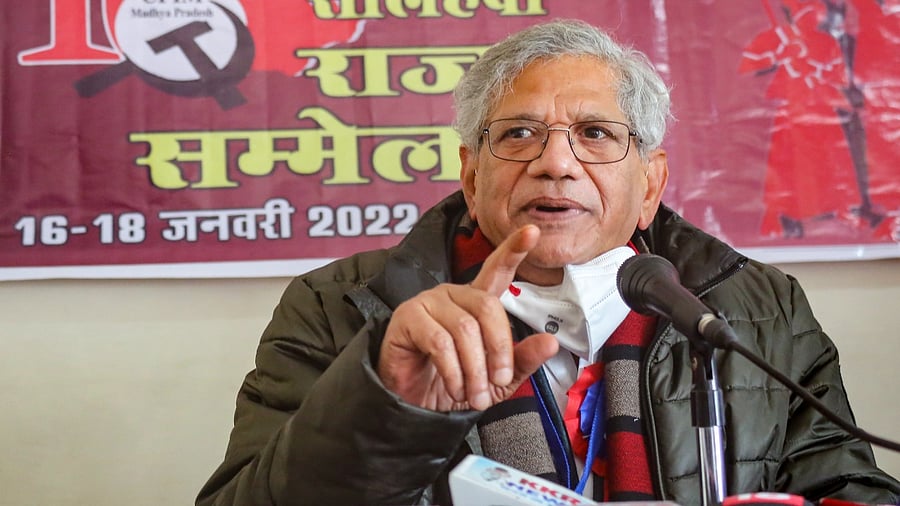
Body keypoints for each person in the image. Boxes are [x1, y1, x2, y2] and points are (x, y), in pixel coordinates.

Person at [196, 19, 900, 505]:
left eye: (595, 133)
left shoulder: (753, 305)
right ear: (471, 177)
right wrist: (388, 397)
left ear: (649, 183)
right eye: (520, 134)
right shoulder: (342, 306)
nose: (556, 163)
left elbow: (843, 484)